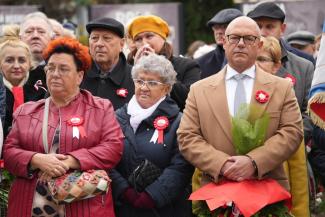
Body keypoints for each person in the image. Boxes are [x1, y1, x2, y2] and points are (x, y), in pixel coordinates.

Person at [177, 16, 303, 215]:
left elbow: (292, 132)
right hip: (216, 195)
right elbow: (187, 137)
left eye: (249, 38)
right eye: (234, 38)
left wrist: (254, 162)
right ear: (224, 42)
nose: (241, 44)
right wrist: (222, 164)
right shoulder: (199, 90)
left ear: (260, 44)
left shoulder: (282, 87)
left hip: (267, 194)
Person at [3, 37, 124, 217]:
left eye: (63, 69)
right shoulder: (26, 111)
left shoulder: (100, 108)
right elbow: (9, 152)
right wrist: (36, 159)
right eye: (50, 68)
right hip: (30, 206)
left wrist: (70, 161)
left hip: (84, 206)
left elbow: (113, 148)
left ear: (80, 76)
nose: (55, 74)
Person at [111, 53, 194, 217]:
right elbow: (106, 159)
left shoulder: (180, 121)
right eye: (140, 81)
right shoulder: (115, 117)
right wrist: (124, 190)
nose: (144, 87)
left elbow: (181, 166)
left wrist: (152, 196)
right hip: (122, 207)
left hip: (164, 209)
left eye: (152, 83)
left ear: (167, 88)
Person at [256, 36, 309, 217]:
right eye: (253, 59)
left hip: (280, 195)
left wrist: (300, 212)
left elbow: (298, 167)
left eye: (262, 59)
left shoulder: (286, 99)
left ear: (276, 66)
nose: (256, 64)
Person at [248, 2, 314, 143]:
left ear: (282, 28)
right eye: (258, 26)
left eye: (270, 26)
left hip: (291, 149)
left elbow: (310, 114)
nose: (263, 32)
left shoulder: (304, 66)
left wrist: (283, 142)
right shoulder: (240, 63)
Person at [127, 15, 201, 111]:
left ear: (163, 38)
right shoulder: (127, 66)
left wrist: (159, 67)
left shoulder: (187, 66)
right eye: (138, 39)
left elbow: (190, 100)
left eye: (149, 36)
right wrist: (135, 71)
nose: (144, 43)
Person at [0, 25, 46, 138]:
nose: (16, 66)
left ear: (29, 63)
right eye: (9, 60)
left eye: (21, 60)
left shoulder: (43, 81)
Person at [81, 17, 133, 110]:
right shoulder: (77, 74)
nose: (99, 44)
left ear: (122, 44)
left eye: (107, 38)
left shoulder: (135, 77)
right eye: (94, 38)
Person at [196, 8, 243, 79]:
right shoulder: (201, 63)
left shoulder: (255, 59)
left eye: (225, 27)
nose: (219, 32)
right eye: (216, 27)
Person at [19, 12, 54, 88]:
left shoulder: (62, 70)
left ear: (52, 38)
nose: (35, 36)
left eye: (41, 32)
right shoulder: (7, 71)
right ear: (20, 38)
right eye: (29, 32)